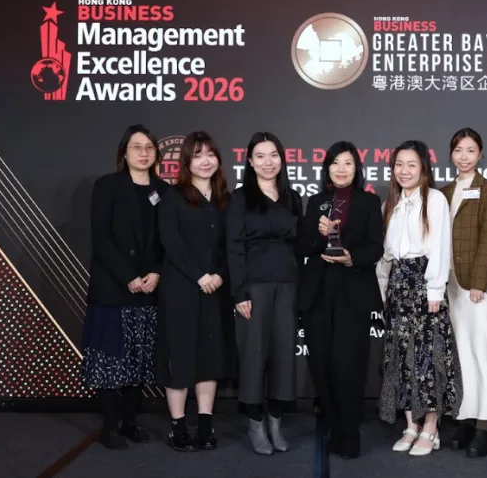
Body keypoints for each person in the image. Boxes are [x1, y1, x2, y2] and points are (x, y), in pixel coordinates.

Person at [82, 124, 168, 450]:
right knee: (109, 360)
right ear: (124, 152)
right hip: (113, 289)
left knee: (139, 359)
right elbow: (101, 238)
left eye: (149, 147)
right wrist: (127, 276)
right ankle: (110, 427)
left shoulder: (164, 191)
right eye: (136, 147)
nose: (143, 153)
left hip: (149, 290)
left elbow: (167, 240)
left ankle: (130, 422)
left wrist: (157, 271)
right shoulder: (107, 186)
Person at [297, 141, 384, 459]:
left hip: (353, 293)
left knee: (348, 365)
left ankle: (350, 433)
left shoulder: (369, 202)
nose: (341, 169)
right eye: (335, 163)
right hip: (318, 293)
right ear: (327, 169)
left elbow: (376, 247)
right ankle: (333, 425)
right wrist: (319, 235)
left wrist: (351, 258)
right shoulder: (316, 201)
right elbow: (303, 247)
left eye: (347, 163)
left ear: (356, 168)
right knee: (321, 364)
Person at [376, 140, 461, 457]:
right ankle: (411, 424)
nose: (404, 171)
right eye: (399, 164)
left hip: (425, 285)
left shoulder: (435, 199)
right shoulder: (390, 204)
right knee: (400, 357)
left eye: (411, 164)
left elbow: (440, 247)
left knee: (428, 357)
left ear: (424, 167)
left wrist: (435, 289)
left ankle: (431, 428)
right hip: (397, 287)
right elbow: (384, 257)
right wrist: (382, 289)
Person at [226, 132, 303, 455]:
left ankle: (275, 422)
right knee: (254, 355)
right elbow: (234, 247)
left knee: (284, 355)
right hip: (253, 286)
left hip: (288, 283)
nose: (268, 162)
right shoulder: (240, 198)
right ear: (250, 161)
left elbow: (301, 245)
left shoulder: (293, 197)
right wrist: (240, 292)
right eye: (260, 156)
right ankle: (255, 423)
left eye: (273, 155)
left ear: (282, 159)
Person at [156, 131, 233, 452]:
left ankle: (204, 425)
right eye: (198, 155)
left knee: (209, 357)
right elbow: (171, 242)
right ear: (186, 161)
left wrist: (219, 275)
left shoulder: (226, 199)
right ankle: (178, 426)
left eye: (211, 154)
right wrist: (199, 275)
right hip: (181, 289)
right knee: (181, 356)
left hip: (215, 290)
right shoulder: (172, 197)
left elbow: (233, 246)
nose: (205, 161)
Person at [440, 128, 487, 457]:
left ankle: (485, 426)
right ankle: (466, 418)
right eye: (458, 150)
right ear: (451, 154)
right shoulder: (443, 192)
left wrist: (480, 282)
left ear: (480, 154)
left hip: (476, 286)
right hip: (450, 285)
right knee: (460, 354)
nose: (464, 156)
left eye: (470, 150)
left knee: (482, 354)